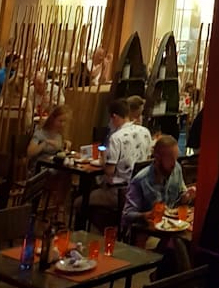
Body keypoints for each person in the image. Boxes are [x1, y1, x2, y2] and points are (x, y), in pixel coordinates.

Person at [83, 97, 154, 228]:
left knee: (80, 202)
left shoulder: (116, 138)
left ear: (114, 117)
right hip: (142, 190)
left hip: (120, 192)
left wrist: (103, 160)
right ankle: (116, 228)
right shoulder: (145, 132)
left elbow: (110, 171)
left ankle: (107, 230)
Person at [122, 133, 196, 238]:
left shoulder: (176, 169)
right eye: (170, 159)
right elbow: (126, 215)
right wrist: (146, 216)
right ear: (157, 158)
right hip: (147, 233)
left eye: (176, 158)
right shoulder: (140, 180)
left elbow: (180, 197)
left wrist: (186, 196)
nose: (174, 163)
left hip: (172, 227)